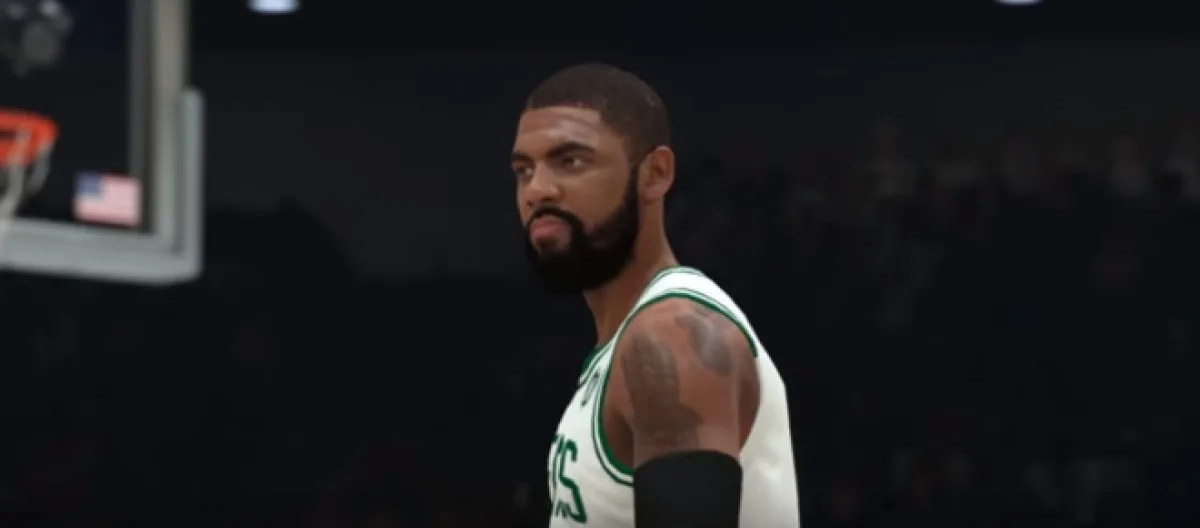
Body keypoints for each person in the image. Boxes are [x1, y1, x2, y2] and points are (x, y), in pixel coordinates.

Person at [511, 63, 800, 528]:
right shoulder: (628, 343)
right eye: (524, 170)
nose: (536, 190)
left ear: (655, 174)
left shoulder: (671, 339)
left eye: (570, 161)